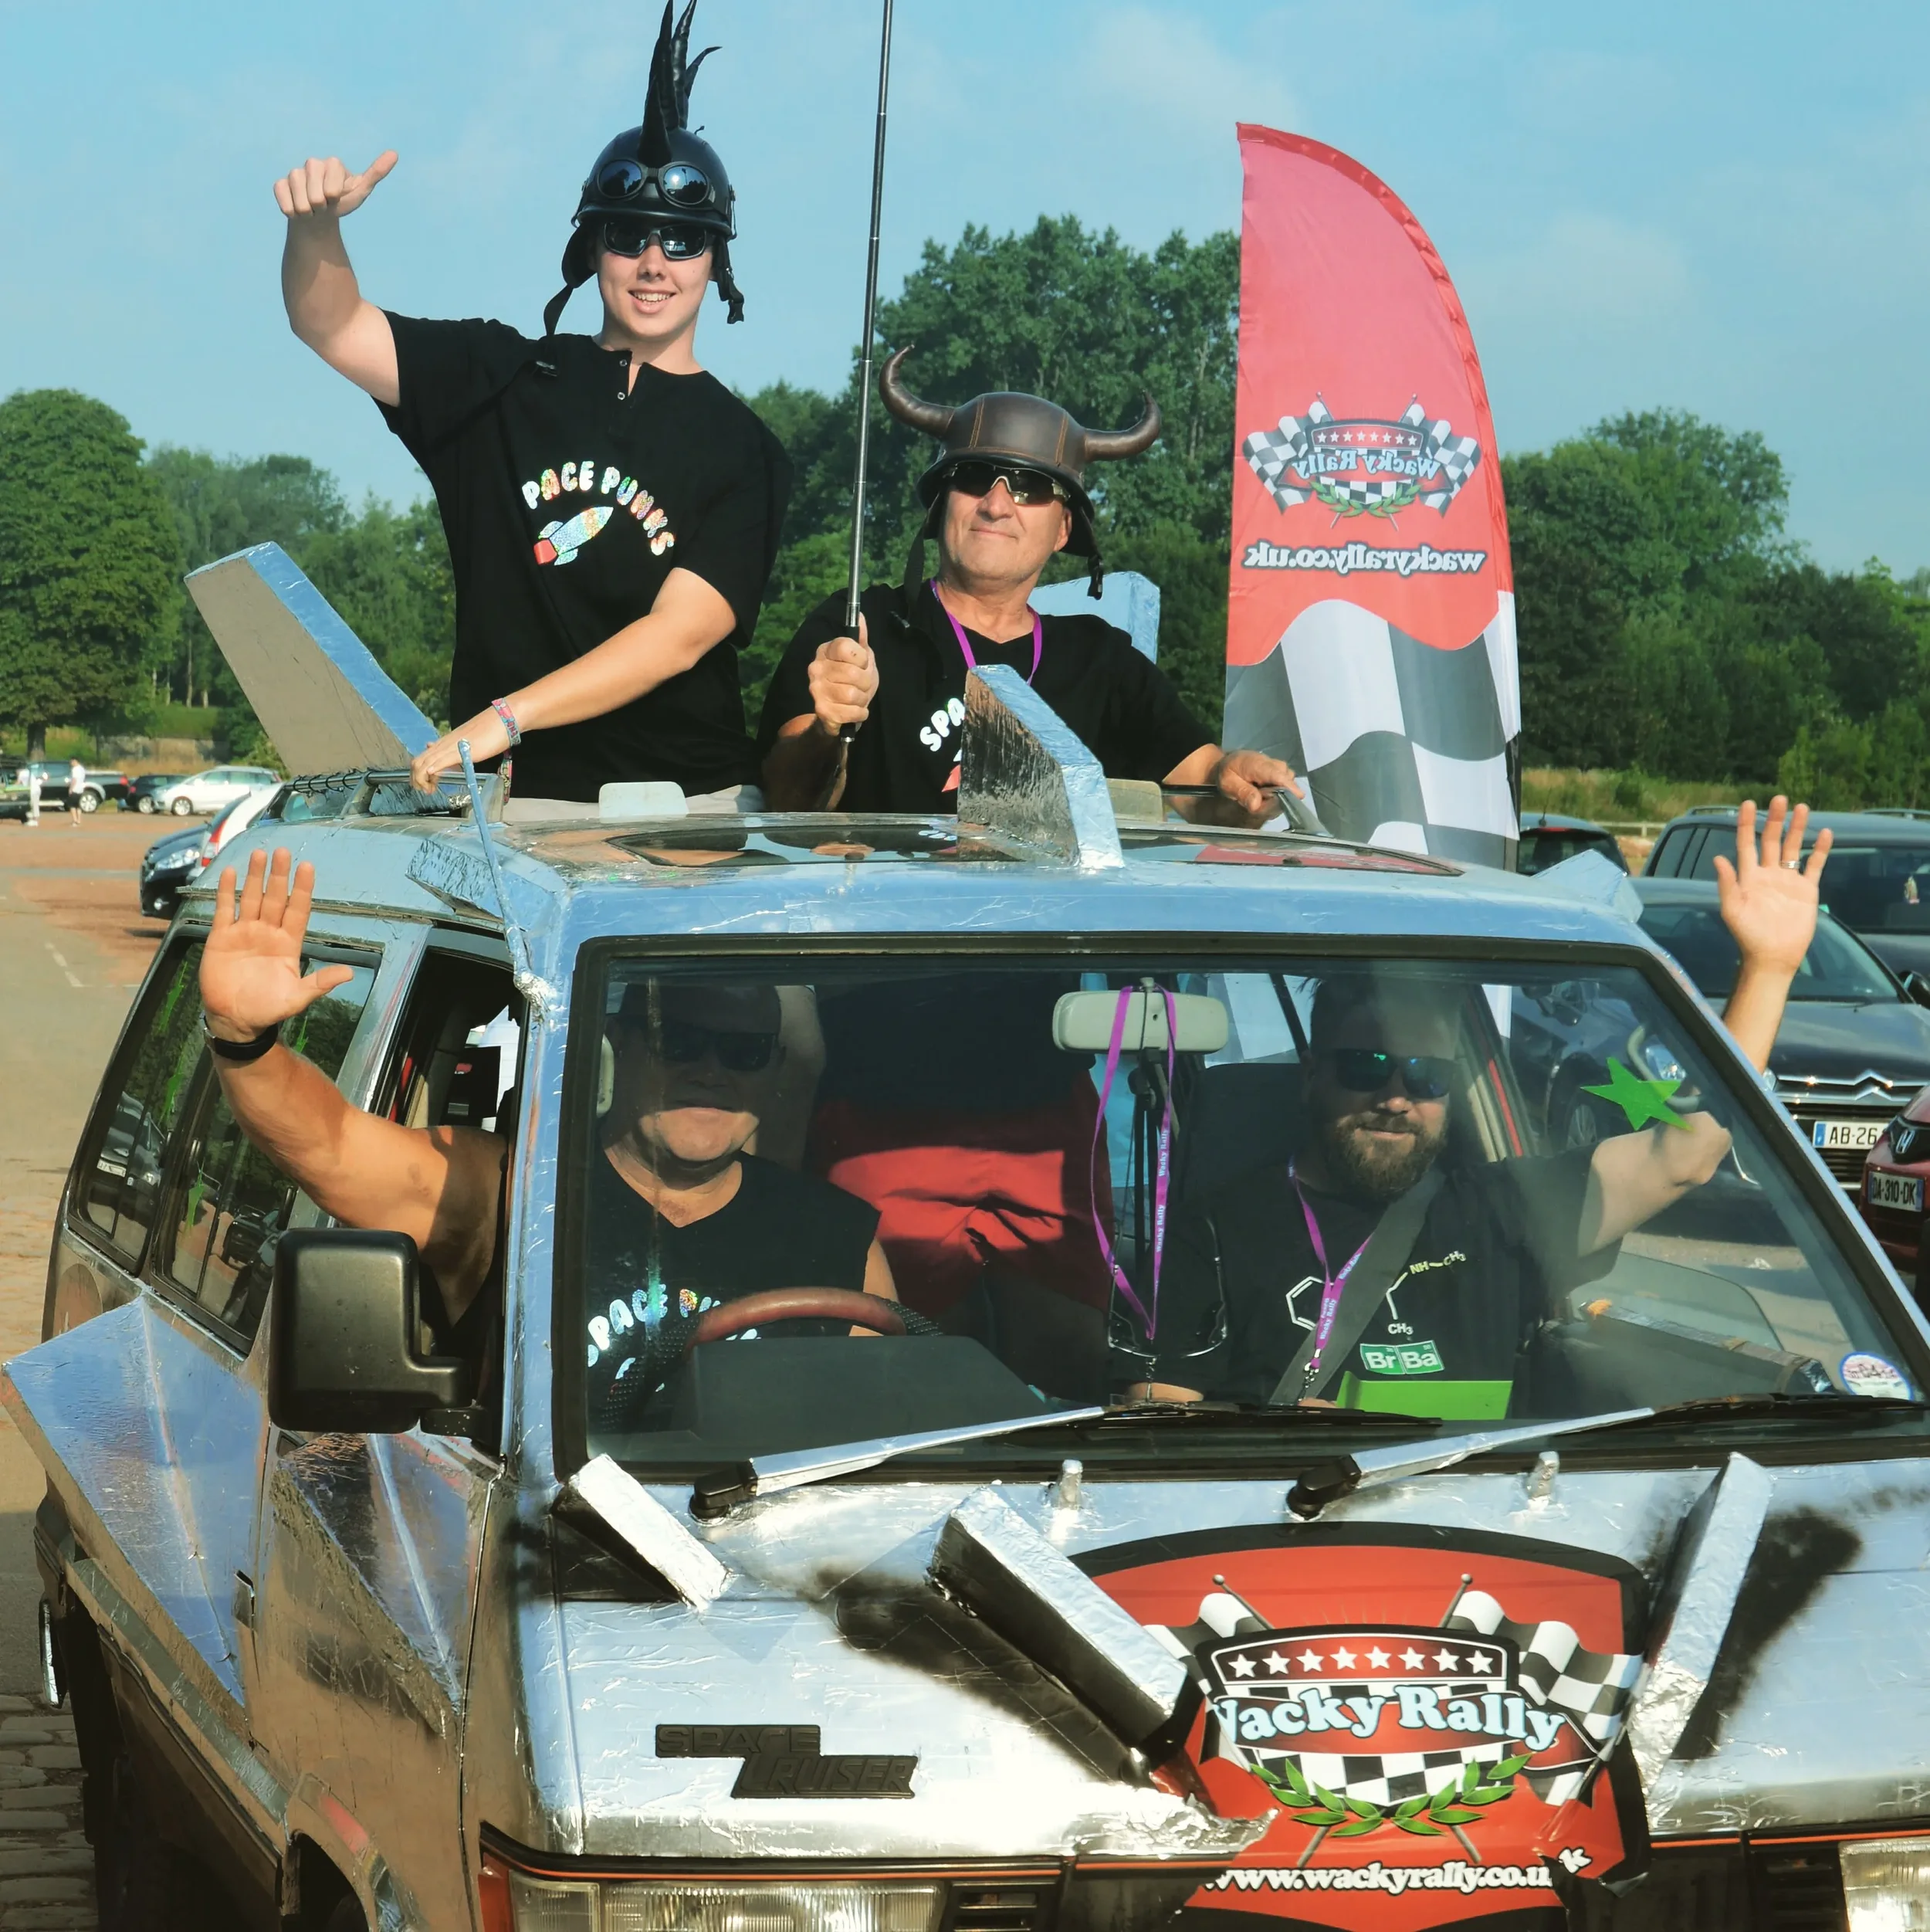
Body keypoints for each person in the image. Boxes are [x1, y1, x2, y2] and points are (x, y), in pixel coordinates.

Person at [1141, 798, 1834, 1412]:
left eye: (1425, 1075)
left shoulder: (1503, 1213)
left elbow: (1684, 1154)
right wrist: (1290, 1440)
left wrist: (1767, 971)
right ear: (1311, 1074)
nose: (1396, 1098)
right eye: (1366, 1066)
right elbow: (1158, 1431)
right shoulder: (1212, 1232)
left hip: (1482, 1536)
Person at [273, 2, 788, 812]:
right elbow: (332, 324)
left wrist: (506, 717)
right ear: (590, 248)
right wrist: (316, 232)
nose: (654, 262)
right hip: (524, 804)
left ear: (717, 262)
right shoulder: (498, 378)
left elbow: (676, 637)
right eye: (628, 234)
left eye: (683, 242)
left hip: (697, 807)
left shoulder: (746, 449)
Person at [196, 846, 897, 1422]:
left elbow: (889, 1428)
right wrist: (245, 1043)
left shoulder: (833, 1235)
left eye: (741, 1054)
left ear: (771, 1073)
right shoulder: (505, 1192)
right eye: (681, 1041)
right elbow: (331, 1147)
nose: (710, 1072)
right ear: (621, 1041)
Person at [758, 351, 1297, 821]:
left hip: (1043, 933)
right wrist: (828, 731)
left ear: (1065, 528)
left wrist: (1236, 778)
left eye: (1029, 486)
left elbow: (1206, 791)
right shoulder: (862, 624)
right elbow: (788, 801)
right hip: (895, 926)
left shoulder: (1101, 660)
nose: (996, 504)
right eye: (973, 478)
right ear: (941, 503)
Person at [66, 758, 86, 826]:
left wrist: (71, 788)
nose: (71, 764)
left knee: (72, 806)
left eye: (72, 762)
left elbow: (74, 780)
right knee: (78, 806)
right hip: (81, 789)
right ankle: (79, 819)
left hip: (75, 789)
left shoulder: (75, 769)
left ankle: (75, 820)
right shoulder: (82, 769)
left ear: (75, 761)